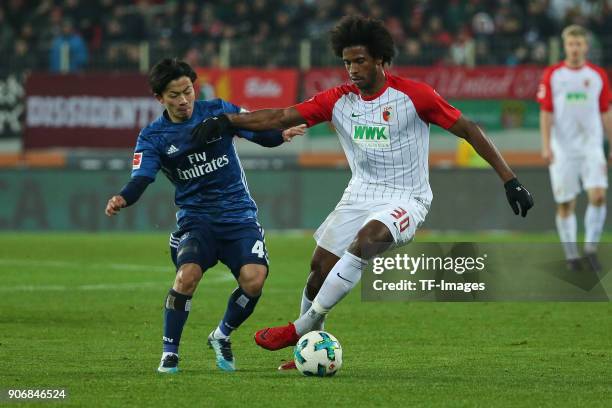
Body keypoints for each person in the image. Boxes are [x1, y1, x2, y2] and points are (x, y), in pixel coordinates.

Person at [190, 16, 534, 364]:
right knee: (318, 272)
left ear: (381, 60)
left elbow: (469, 129)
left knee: (367, 241)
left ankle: (299, 328)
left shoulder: (415, 96)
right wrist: (228, 121)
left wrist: (510, 179)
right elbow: (281, 116)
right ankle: (306, 349)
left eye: (360, 61)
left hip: (407, 198)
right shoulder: (338, 99)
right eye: (347, 62)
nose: (352, 69)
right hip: (359, 194)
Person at [104, 58, 305, 373]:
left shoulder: (216, 110)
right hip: (196, 220)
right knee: (187, 277)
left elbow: (255, 129)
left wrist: (281, 134)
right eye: (174, 95)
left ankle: (221, 334)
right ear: (160, 98)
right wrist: (123, 198)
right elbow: (142, 177)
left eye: (187, 91)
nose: (184, 100)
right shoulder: (153, 137)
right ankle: (170, 352)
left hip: (239, 216)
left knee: (254, 281)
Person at [538, 25, 612, 272]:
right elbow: (546, 112)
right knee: (566, 204)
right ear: (565, 46)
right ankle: (572, 255)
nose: (575, 48)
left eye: (579, 44)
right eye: (571, 44)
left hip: (591, 146)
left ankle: (590, 249)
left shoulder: (598, 75)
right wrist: (546, 146)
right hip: (563, 149)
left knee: (598, 196)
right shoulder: (553, 75)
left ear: (586, 47)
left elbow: (606, 111)